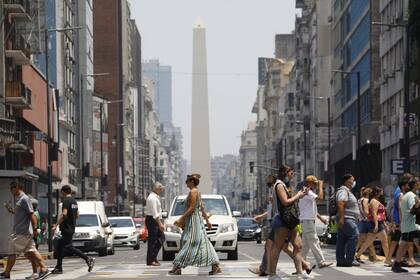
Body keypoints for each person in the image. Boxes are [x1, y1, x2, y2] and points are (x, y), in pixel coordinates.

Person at [249, 175, 314, 277]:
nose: (267, 179)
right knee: (284, 247)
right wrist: (261, 216)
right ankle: (303, 266)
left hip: (283, 222)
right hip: (285, 222)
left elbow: (284, 206)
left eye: (269, 178)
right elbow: (274, 210)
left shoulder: (280, 187)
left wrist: (298, 195)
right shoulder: (277, 189)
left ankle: (268, 270)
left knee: (277, 247)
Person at [169, 174, 221, 275]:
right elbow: (202, 209)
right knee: (201, 243)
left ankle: (179, 265)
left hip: (193, 221)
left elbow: (192, 208)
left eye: (187, 181)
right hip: (195, 221)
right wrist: (207, 221)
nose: (186, 183)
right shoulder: (197, 192)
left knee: (189, 242)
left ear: (192, 181)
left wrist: (181, 218)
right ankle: (215, 266)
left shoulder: (193, 192)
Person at [267, 164, 312, 280]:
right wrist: (298, 195)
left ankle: (300, 272)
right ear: (285, 173)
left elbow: (290, 202)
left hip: (291, 219)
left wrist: (301, 195)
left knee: (298, 245)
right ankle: (272, 274)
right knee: (278, 246)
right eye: (291, 173)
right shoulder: (279, 185)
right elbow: (285, 202)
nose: (292, 175)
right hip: (282, 219)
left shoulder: (285, 185)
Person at [0, 182, 50, 280]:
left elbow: (32, 215)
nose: (11, 191)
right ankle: (44, 269)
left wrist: (35, 229)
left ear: (17, 187)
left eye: (12, 188)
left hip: (21, 232)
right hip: (24, 232)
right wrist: (11, 210)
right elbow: (20, 214)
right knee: (31, 252)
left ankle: (7, 273)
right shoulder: (20, 200)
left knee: (12, 252)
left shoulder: (24, 199)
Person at [51, 185, 94, 274]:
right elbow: (77, 215)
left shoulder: (66, 201)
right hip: (71, 227)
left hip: (66, 228)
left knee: (68, 247)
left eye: (61, 193)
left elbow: (63, 214)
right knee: (59, 247)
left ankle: (87, 259)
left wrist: (56, 225)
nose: (61, 194)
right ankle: (59, 267)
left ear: (63, 192)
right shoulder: (74, 201)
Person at [298, 175, 333, 269]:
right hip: (307, 221)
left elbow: (311, 209)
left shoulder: (308, 192)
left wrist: (321, 218)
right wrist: (321, 186)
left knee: (305, 246)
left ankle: (300, 265)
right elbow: (321, 198)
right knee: (314, 240)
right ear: (309, 183)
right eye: (315, 183)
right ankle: (321, 261)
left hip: (307, 220)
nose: (316, 185)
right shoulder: (307, 191)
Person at [392, 177, 420, 273]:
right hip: (411, 225)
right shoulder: (412, 196)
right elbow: (413, 211)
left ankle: (396, 264)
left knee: (403, 244)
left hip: (408, 225)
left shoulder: (408, 195)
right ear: (415, 185)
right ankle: (396, 264)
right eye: (418, 183)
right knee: (407, 244)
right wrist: (417, 205)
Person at [355, 186, 389, 263]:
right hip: (376, 224)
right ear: (377, 193)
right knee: (384, 241)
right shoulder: (374, 201)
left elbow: (379, 214)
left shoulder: (374, 200)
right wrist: (376, 225)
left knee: (367, 242)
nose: (382, 192)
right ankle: (388, 259)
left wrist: (384, 224)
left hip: (376, 223)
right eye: (381, 191)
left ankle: (357, 256)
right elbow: (374, 213)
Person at [335, 174, 360, 267]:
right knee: (355, 235)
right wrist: (342, 218)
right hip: (347, 218)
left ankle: (341, 261)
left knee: (342, 239)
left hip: (346, 218)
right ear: (346, 181)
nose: (353, 182)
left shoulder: (347, 191)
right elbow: (341, 203)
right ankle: (350, 259)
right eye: (352, 180)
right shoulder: (343, 191)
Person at [145, 182, 165, 266]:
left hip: (155, 220)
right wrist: (160, 224)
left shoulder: (156, 197)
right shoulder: (152, 198)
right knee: (152, 241)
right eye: (160, 188)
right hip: (152, 220)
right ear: (156, 188)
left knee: (161, 238)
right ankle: (150, 260)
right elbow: (155, 213)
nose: (162, 189)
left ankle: (153, 257)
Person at [355, 187, 377, 262]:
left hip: (361, 220)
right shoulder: (366, 200)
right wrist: (372, 215)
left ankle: (355, 254)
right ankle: (356, 254)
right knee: (368, 239)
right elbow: (366, 211)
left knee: (363, 240)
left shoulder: (359, 200)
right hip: (366, 221)